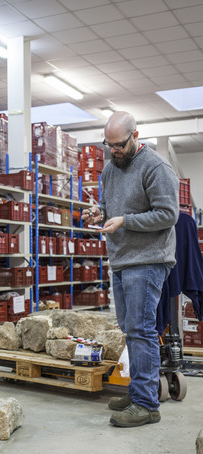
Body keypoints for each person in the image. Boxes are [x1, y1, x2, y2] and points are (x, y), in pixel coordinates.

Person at [82, 111, 179, 428]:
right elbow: (112, 208)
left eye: (119, 145)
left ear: (136, 135)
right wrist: (100, 213)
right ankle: (139, 392)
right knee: (130, 329)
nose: (114, 151)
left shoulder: (156, 167)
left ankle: (147, 405)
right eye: (108, 145)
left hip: (148, 260)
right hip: (121, 259)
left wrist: (126, 221)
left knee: (141, 330)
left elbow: (168, 214)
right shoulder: (111, 169)